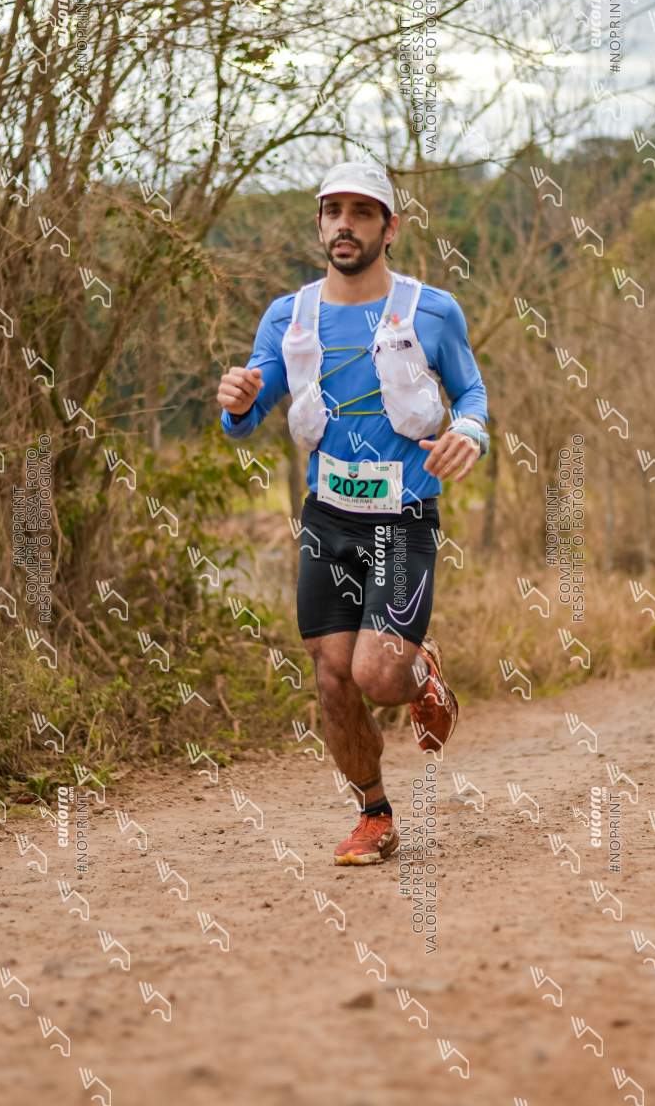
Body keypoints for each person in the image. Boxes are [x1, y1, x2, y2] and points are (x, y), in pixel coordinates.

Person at [217, 161, 490, 866]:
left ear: (389, 228)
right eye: (333, 210)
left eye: (362, 212)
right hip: (328, 517)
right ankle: (374, 814)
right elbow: (247, 414)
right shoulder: (289, 315)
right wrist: (236, 402)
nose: (345, 224)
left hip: (401, 519)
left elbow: (472, 394)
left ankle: (421, 674)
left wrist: (469, 432)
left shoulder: (432, 310)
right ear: (319, 224)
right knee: (332, 673)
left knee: (378, 675)